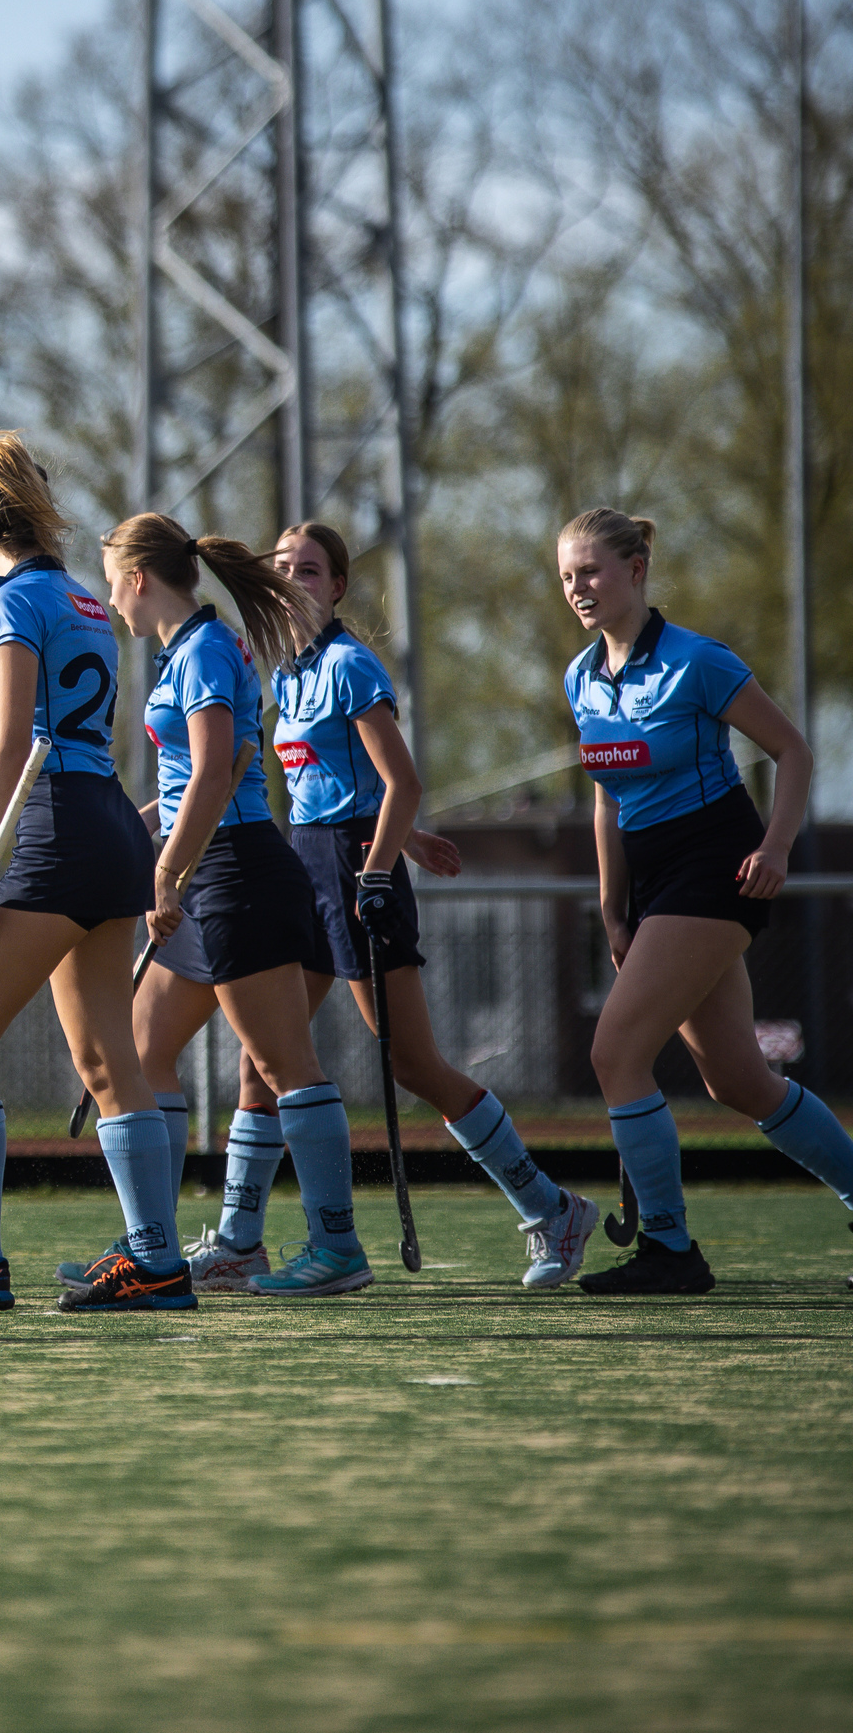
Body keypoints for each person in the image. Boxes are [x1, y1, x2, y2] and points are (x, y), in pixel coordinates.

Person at [161, 520, 595, 1292]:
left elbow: (402, 782)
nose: (294, 579)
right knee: (259, 1062)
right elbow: (339, 788)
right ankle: (238, 1241)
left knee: (411, 1061)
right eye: (283, 566)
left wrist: (385, 860)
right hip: (308, 863)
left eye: (310, 569)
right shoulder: (286, 674)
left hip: (357, 874)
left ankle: (551, 1206)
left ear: (336, 587)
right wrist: (413, 840)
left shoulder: (350, 667)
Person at [0, 435, 189, 1314]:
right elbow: (64, 751)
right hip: (103, 830)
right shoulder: (89, 601)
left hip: (57, 836)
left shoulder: (13, 602)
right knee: (105, 1056)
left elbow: (15, 743)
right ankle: (157, 1262)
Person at [558, 506, 853, 1294]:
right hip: (654, 885)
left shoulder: (697, 661)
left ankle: (670, 1250)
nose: (577, 588)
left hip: (716, 865)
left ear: (636, 570)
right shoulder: (580, 676)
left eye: (590, 571)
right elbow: (607, 800)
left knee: (614, 1052)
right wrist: (614, 910)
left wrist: (778, 846)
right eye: (565, 576)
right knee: (739, 1082)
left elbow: (791, 749)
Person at [91, 513, 375, 1297]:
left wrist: (165, 875)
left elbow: (216, 778)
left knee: (285, 1067)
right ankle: (154, 1245)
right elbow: (188, 786)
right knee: (143, 1052)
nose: (110, 597)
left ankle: (338, 1249)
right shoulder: (186, 651)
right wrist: (133, 834)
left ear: (139, 579)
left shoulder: (208, 649)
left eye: (112, 578)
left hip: (239, 871)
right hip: (208, 870)